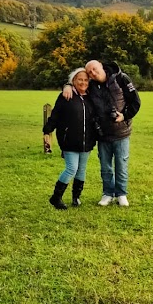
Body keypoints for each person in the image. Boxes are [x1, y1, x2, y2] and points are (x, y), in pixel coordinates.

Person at [63, 59, 141, 207]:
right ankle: (108, 194)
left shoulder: (121, 78)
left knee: (121, 165)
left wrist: (124, 115)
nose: (92, 73)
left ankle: (121, 194)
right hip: (102, 134)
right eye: (90, 72)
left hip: (121, 132)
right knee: (105, 167)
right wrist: (67, 85)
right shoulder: (90, 85)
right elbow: (78, 85)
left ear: (101, 66)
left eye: (94, 69)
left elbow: (135, 102)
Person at [43, 67, 97, 210]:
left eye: (86, 80)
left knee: (82, 170)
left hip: (87, 141)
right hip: (69, 140)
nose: (83, 82)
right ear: (73, 81)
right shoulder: (66, 96)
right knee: (71, 168)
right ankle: (56, 197)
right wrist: (47, 130)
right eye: (80, 79)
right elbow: (55, 115)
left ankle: (76, 197)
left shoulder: (91, 96)